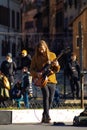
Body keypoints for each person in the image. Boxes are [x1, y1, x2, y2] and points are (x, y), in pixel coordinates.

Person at [30, 40, 60, 123]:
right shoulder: (35, 57)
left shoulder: (52, 55)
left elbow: (56, 69)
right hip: (43, 80)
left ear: (46, 47)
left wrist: (57, 65)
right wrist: (37, 74)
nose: (41, 51)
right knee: (46, 95)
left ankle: (44, 115)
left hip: (52, 80)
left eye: (42, 49)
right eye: (40, 49)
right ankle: (48, 116)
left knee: (51, 98)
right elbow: (31, 70)